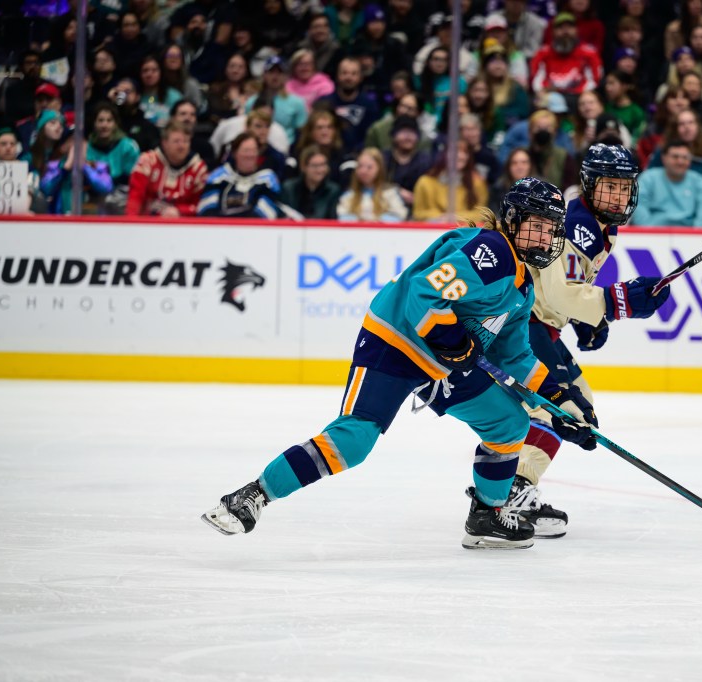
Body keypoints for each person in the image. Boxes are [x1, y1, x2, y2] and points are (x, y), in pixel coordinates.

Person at [200, 178, 598, 550]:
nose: (546, 236)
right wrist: (453, 340)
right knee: (354, 441)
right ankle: (253, 494)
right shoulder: (492, 252)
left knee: (509, 422)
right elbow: (424, 294)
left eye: (551, 229)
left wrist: (560, 403)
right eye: (538, 225)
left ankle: (487, 516)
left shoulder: (522, 288)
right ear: (513, 221)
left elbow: (515, 357)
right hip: (398, 342)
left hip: (441, 363)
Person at [499, 144, 671, 536]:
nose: (618, 196)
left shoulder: (598, 227)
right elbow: (559, 294)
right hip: (523, 323)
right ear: (590, 185)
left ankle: (515, 484)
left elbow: (560, 285)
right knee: (557, 405)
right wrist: (616, 303)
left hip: (540, 323)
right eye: (609, 187)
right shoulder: (578, 225)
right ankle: (511, 490)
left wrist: (582, 320)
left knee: (577, 400)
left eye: (624, 188)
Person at [126, 121, 208, 216]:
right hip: (147, 224)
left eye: (185, 141)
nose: (181, 146)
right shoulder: (147, 162)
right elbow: (135, 198)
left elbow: (201, 206)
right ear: (164, 143)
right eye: (176, 141)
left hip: (184, 227)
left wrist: (179, 211)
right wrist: (132, 224)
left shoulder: (198, 169)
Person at [198, 133, 287, 219]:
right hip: (219, 230)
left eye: (254, 150)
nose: (250, 155)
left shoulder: (268, 178)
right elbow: (206, 209)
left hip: (254, 231)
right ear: (234, 153)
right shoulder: (219, 176)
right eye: (246, 150)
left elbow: (265, 212)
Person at [631, 140, 702, 226]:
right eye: (675, 157)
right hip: (652, 234)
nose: (680, 162)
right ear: (664, 158)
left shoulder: (700, 182)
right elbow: (639, 208)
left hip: (690, 236)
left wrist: (696, 237)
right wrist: (646, 234)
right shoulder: (648, 178)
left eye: (685, 157)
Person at [412, 139, 489, 221]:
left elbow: (481, 214)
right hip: (432, 231)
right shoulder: (425, 182)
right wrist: (441, 217)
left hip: (464, 231)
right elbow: (418, 213)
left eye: (465, 152)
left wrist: (454, 217)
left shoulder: (478, 183)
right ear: (444, 155)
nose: (460, 156)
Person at [529, 13, 603, 96]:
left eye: (569, 27)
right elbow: (536, 81)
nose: (565, 31)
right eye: (560, 28)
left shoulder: (589, 53)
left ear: (576, 30)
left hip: (579, 96)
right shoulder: (542, 53)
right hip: (550, 96)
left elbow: (595, 80)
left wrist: (576, 93)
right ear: (553, 32)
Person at [245, 56, 309, 146]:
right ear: (264, 75)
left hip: (286, 148)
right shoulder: (251, 102)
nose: (275, 76)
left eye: (279, 72)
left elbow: (302, 134)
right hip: (257, 147)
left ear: (286, 76)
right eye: (271, 72)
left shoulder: (297, 103)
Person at [336, 147, 408, 221]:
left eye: (369, 167)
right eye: (360, 166)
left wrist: (380, 221)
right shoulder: (350, 195)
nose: (363, 171)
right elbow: (342, 214)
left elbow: (400, 214)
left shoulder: (390, 193)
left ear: (379, 169)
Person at [382, 115, 434, 212]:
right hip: (387, 209)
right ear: (393, 135)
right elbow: (375, 184)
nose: (408, 137)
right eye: (403, 132)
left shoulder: (426, 160)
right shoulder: (383, 158)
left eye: (412, 133)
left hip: (419, 210)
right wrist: (396, 192)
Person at [282, 146, 342, 219]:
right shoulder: (289, 188)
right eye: (315, 166)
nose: (320, 170)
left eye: (323, 165)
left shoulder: (333, 191)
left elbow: (333, 219)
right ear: (303, 167)